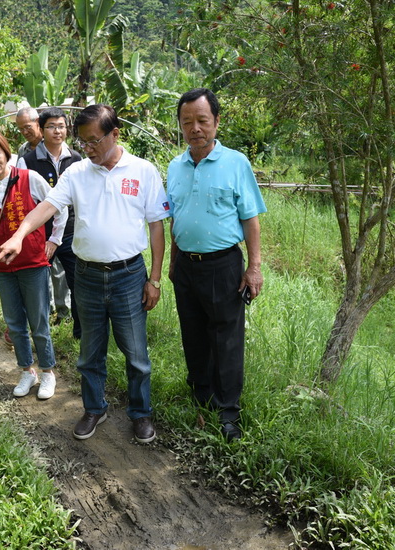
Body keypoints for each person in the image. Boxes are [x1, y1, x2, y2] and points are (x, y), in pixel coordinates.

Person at [0, 104, 169, 444]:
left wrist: (155, 279)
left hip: (129, 275)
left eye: (93, 141)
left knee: (136, 354)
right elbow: (47, 207)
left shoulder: (143, 170)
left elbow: (156, 227)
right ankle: (94, 408)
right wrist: (19, 235)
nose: (87, 149)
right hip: (87, 276)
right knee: (90, 352)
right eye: (83, 142)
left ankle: (140, 413)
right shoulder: (77, 173)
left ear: (115, 134)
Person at [166, 88, 266, 441]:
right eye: (187, 122)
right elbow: (175, 219)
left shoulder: (236, 163)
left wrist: (254, 267)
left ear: (216, 122)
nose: (195, 128)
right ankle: (201, 397)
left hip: (223, 265)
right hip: (186, 266)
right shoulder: (175, 167)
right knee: (193, 333)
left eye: (202, 120)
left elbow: (250, 218)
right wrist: (173, 262)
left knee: (226, 339)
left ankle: (228, 413)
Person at [0, 130, 67, 400]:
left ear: (6, 152)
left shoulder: (29, 178)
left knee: (39, 322)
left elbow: (59, 207)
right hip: (3, 266)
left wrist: (54, 240)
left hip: (33, 262)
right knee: (14, 323)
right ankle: (27, 371)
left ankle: (48, 372)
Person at [17, 106, 82, 338]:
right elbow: (22, 198)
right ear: (41, 129)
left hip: (71, 232)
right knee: (36, 286)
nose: (57, 131)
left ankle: (80, 333)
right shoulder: (27, 161)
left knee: (78, 283)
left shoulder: (76, 159)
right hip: (40, 234)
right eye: (51, 126)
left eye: (61, 126)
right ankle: (37, 332)